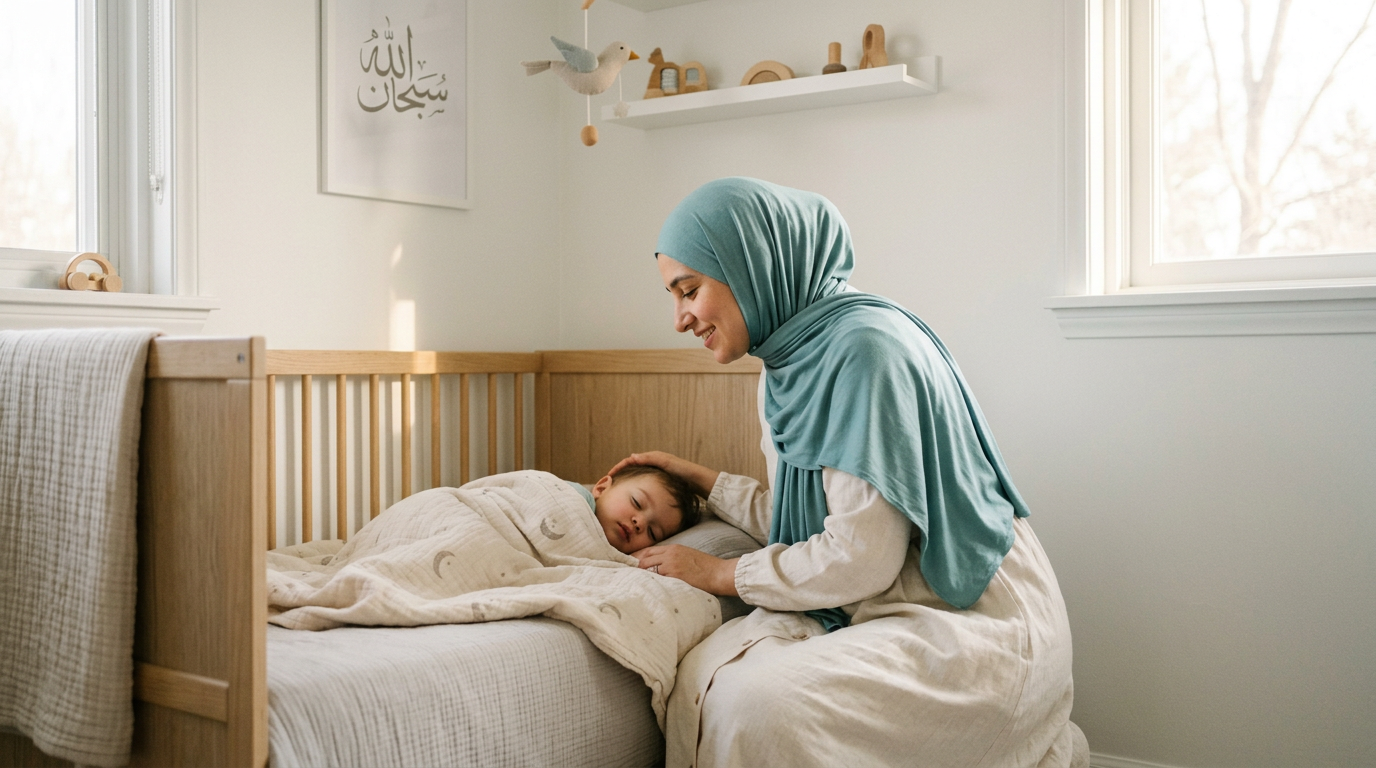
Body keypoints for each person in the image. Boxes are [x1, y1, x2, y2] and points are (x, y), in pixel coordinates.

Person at [614, 178, 1083, 768]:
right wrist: (702, 479)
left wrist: (722, 574)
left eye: (689, 290)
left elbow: (862, 554)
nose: (680, 318)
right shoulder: (790, 357)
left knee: (756, 704)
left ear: (751, 264)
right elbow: (812, 518)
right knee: (711, 675)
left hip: (967, 618)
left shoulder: (863, 350)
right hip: (896, 598)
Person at [570, 464, 702, 555]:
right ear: (602, 488)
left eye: (652, 533)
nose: (640, 523)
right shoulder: (574, 496)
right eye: (637, 502)